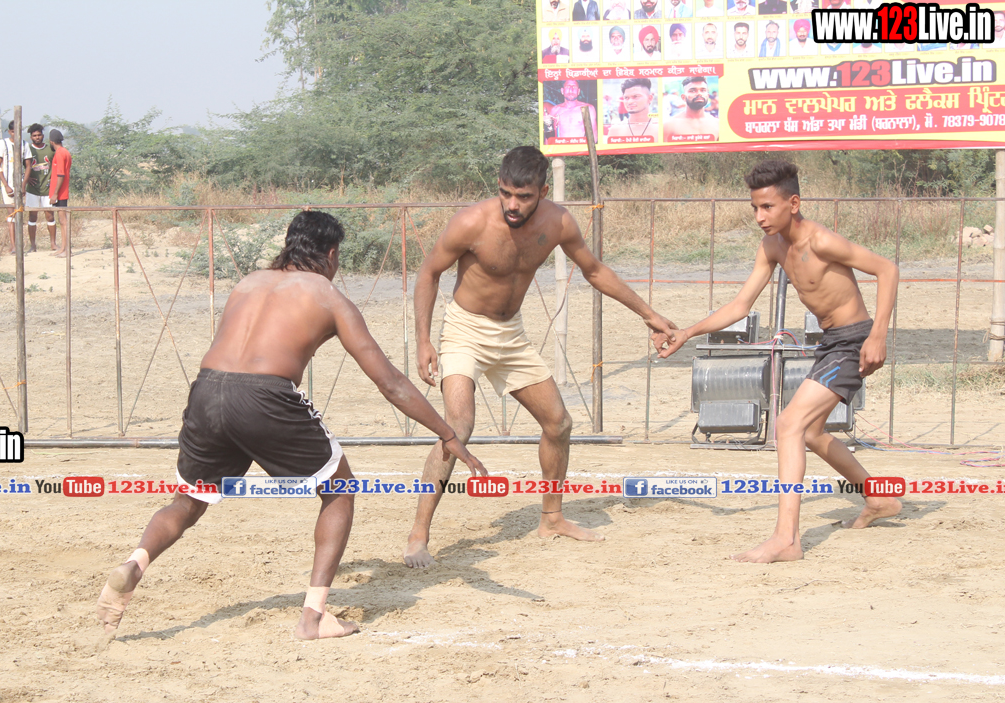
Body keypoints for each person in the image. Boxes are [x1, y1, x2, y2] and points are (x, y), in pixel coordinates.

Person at [96, 211, 486, 640]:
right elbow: (390, 382)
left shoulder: (248, 283)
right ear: (331, 254)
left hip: (207, 390)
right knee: (339, 490)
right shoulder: (327, 296)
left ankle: (135, 562)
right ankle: (313, 617)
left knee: (189, 500)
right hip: (264, 395)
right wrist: (447, 433)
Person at [403, 147, 676, 568]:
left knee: (559, 423)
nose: (512, 204)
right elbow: (428, 273)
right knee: (457, 426)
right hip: (464, 330)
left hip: (511, 334)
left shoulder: (558, 222)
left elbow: (595, 271)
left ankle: (551, 518)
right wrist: (423, 340)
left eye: (524, 196)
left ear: (542, 192)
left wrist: (649, 315)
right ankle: (418, 534)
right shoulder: (471, 222)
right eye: (505, 193)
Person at [654, 161, 900, 563]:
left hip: (853, 342)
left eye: (767, 207)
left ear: (794, 203)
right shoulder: (771, 247)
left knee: (788, 424)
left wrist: (878, 336)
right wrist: (687, 332)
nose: (759, 217)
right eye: (755, 208)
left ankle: (787, 539)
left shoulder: (822, 241)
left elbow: (887, 269)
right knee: (811, 433)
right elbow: (740, 305)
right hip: (831, 343)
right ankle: (878, 498)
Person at [0, 121, 33, 255]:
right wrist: (6, 185)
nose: (15, 134)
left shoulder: (24, 145)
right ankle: (13, 245)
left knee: (19, 213)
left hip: (19, 184)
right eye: (13, 132)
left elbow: (28, 166)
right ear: (9, 132)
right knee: (11, 214)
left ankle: (20, 243)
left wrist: (23, 185)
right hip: (8, 185)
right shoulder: (2, 144)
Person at [24, 123, 56, 254]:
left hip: (47, 189)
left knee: (50, 216)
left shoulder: (50, 150)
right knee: (32, 217)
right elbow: (21, 167)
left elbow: (56, 166)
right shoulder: (27, 150)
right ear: (31, 137)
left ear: (43, 135)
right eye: (34, 135)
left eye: (39, 135)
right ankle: (33, 245)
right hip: (32, 190)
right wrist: (26, 179)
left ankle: (53, 244)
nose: (37, 137)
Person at [47, 129, 72, 258]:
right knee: (62, 220)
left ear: (51, 141)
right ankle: (63, 248)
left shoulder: (60, 153)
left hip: (61, 193)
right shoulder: (65, 152)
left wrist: (55, 193)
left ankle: (66, 249)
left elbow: (61, 175)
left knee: (63, 220)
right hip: (61, 191)